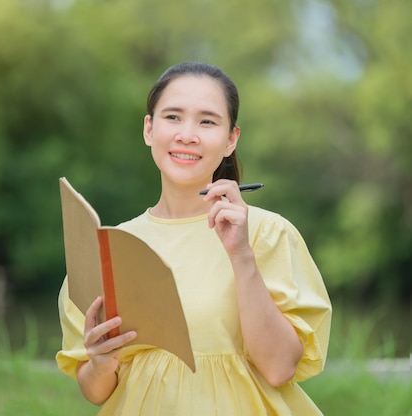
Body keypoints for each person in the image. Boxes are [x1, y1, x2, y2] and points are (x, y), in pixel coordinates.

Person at [56, 61, 332, 415]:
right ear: (149, 129)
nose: (187, 134)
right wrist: (99, 362)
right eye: (173, 117)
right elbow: (96, 392)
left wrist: (241, 254)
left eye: (207, 121)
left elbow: (279, 368)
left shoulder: (267, 233)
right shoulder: (110, 246)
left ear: (231, 139)